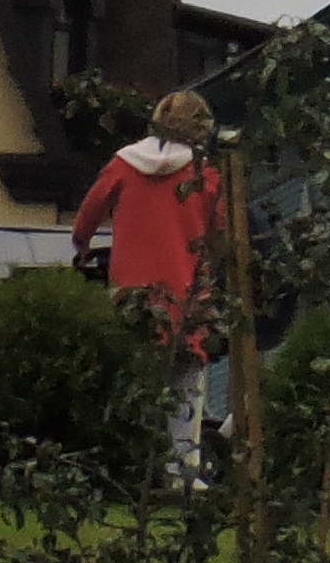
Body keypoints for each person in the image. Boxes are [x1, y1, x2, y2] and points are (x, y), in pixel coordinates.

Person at [74, 89, 229, 460]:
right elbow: (220, 234)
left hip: (131, 297)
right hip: (187, 293)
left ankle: (131, 459)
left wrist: (83, 247)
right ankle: (182, 467)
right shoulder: (203, 174)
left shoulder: (123, 164)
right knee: (187, 380)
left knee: (134, 379)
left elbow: (86, 219)